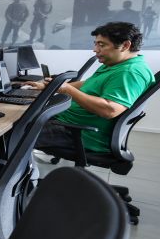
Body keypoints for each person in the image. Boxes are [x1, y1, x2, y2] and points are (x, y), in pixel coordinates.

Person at [32, 22, 154, 154]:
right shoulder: (116, 64)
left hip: (78, 132)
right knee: (23, 120)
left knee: (16, 133)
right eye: (95, 44)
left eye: (102, 45)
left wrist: (67, 89)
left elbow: (110, 110)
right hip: (66, 121)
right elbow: (89, 83)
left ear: (125, 45)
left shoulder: (130, 72)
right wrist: (53, 87)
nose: (95, 49)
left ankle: (22, 164)